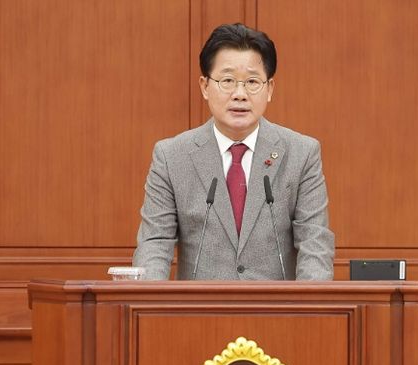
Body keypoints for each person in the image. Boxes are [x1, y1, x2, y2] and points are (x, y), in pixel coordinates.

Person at [133, 23, 334, 280]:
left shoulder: (302, 153)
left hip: (277, 305)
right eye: (227, 81)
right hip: (199, 305)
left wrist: (309, 303)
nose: (240, 94)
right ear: (205, 86)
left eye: (252, 82)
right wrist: (150, 298)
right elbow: (154, 243)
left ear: (270, 89)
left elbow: (315, 243)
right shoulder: (171, 157)